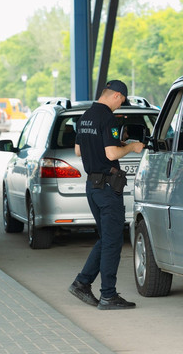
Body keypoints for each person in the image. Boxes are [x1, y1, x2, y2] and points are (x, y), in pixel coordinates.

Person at [68, 80, 144, 310]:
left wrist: (114, 142)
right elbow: (111, 154)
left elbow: (79, 150)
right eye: (122, 101)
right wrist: (131, 146)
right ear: (116, 96)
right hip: (108, 188)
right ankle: (108, 295)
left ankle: (82, 283)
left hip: (92, 186)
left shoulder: (85, 117)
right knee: (112, 242)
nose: (121, 105)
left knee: (106, 239)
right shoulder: (108, 118)